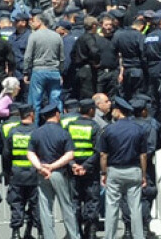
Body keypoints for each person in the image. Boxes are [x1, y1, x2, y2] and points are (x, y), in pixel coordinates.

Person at [27, 102, 80, 239]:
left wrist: (41, 167)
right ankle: (73, 236)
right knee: (66, 207)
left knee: (46, 209)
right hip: (59, 173)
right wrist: (53, 166)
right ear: (57, 114)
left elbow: (30, 154)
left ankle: (49, 236)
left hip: (42, 174)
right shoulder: (63, 132)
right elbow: (70, 155)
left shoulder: (36, 133)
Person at [99, 97, 147, 239]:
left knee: (112, 207)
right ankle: (138, 236)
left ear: (119, 111)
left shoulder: (109, 130)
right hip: (134, 170)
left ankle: (110, 236)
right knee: (135, 207)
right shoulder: (138, 129)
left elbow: (103, 155)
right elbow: (143, 155)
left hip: (114, 170)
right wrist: (143, 174)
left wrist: (104, 173)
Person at [3, 103, 41, 239]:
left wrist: (7, 173)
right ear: (31, 115)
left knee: (17, 204)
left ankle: (16, 233)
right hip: (34, 176)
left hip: (17, 175)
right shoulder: (37, 131)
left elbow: (6, 155)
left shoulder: (12, 132)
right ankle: (40, 233)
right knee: (36, 205)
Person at [66, 98, 102, 239]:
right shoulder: (95, 127)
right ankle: (91, 232)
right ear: (92, 110)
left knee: (75, 200)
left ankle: (76, 232)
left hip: (73, 169)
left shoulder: (70, 126)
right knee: (92, 199)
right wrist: (85, 166)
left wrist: (73, 164)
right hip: (90, 170)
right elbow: (98, 151)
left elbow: (65, 148)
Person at [23, 12, 64, 118]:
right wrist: (61, 72)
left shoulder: (34, 36)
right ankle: (58, 124)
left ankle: (34, 127)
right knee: (56, 100)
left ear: (40, 22)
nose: (31, 23)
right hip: (54, 71)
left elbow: (28, 56)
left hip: (39, 71)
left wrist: (26, 72)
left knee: (35, 103)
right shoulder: (57, 36)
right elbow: (62, 58)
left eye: (34, 21)